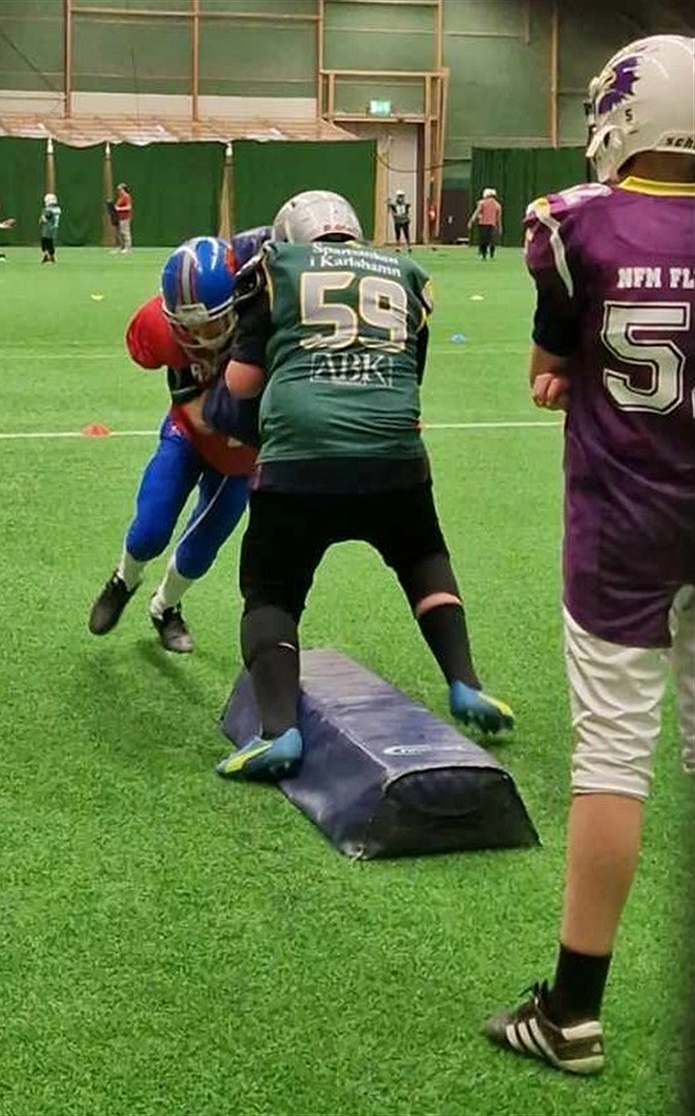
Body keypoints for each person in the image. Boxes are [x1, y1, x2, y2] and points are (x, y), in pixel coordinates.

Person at [483, 34, 694, 1076]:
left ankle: (572, 1013)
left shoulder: (575, 226)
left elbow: (550, 361)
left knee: (613, 758)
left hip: (625, 525)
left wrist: (568, 372)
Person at [214, 190, 514, 781]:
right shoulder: (405, 273)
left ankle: (278, 731)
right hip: (394, 454)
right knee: (422, 558)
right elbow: (409, 374)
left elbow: (243, 382)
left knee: (272, 593)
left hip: (301, 455)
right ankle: (465, 682)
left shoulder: (275, 266)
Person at [88, 230, 269, 653]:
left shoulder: (266, 321)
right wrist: (201, 404)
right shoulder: (157, 327)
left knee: (198, 553)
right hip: (186, 435)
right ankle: (124, 579)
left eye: (211, 322)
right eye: (188, 326)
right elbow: (193, 407)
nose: (200, 335)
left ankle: (164, 607)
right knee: (149, 530)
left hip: (240, 459)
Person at [468, 188, 502, 260]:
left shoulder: (482, 203)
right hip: (492, 224)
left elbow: (476, 213)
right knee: (492, 240)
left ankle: (484, 255)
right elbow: (498, 218)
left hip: (483, 224)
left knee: (483, 240)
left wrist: (471, 221)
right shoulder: (497, 205)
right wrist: (500, 227)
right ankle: (491, 254)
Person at [39, 192, 61, 264]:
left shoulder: (48, 209)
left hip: (48, 228)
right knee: (50, 242)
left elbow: (45, 219)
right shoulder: (58, 209)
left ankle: (46, 255)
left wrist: (42, 217)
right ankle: (51, 256)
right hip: (54, 228)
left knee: (45, 242)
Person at [114, 183, 132, 252]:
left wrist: (119, 209)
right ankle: (122, 247)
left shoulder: (126, 196)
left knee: (125, 232)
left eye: (120, 189)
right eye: (118, 190)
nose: (119, 191)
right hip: (119, 217)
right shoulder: (120, 197)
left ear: (124, 189)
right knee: (120, 232)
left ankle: (128, 248)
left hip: (125, 217)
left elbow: (128, 207)